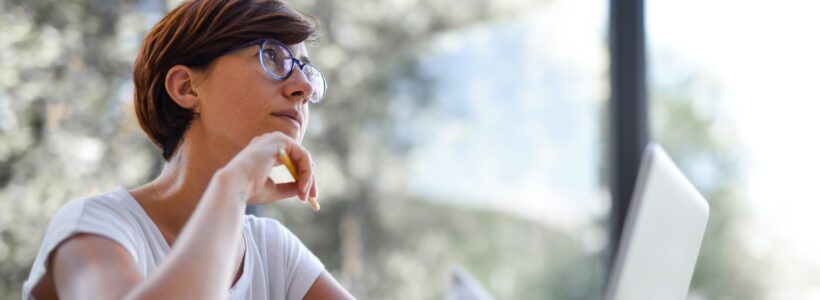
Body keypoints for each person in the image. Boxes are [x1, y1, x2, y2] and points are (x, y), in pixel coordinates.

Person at [21, 0, 354, 299]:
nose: (305, 88)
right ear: (186, 87)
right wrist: (232, 186)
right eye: (271, 56)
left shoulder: (272, 250)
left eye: (306, 70)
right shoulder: (96, 225)